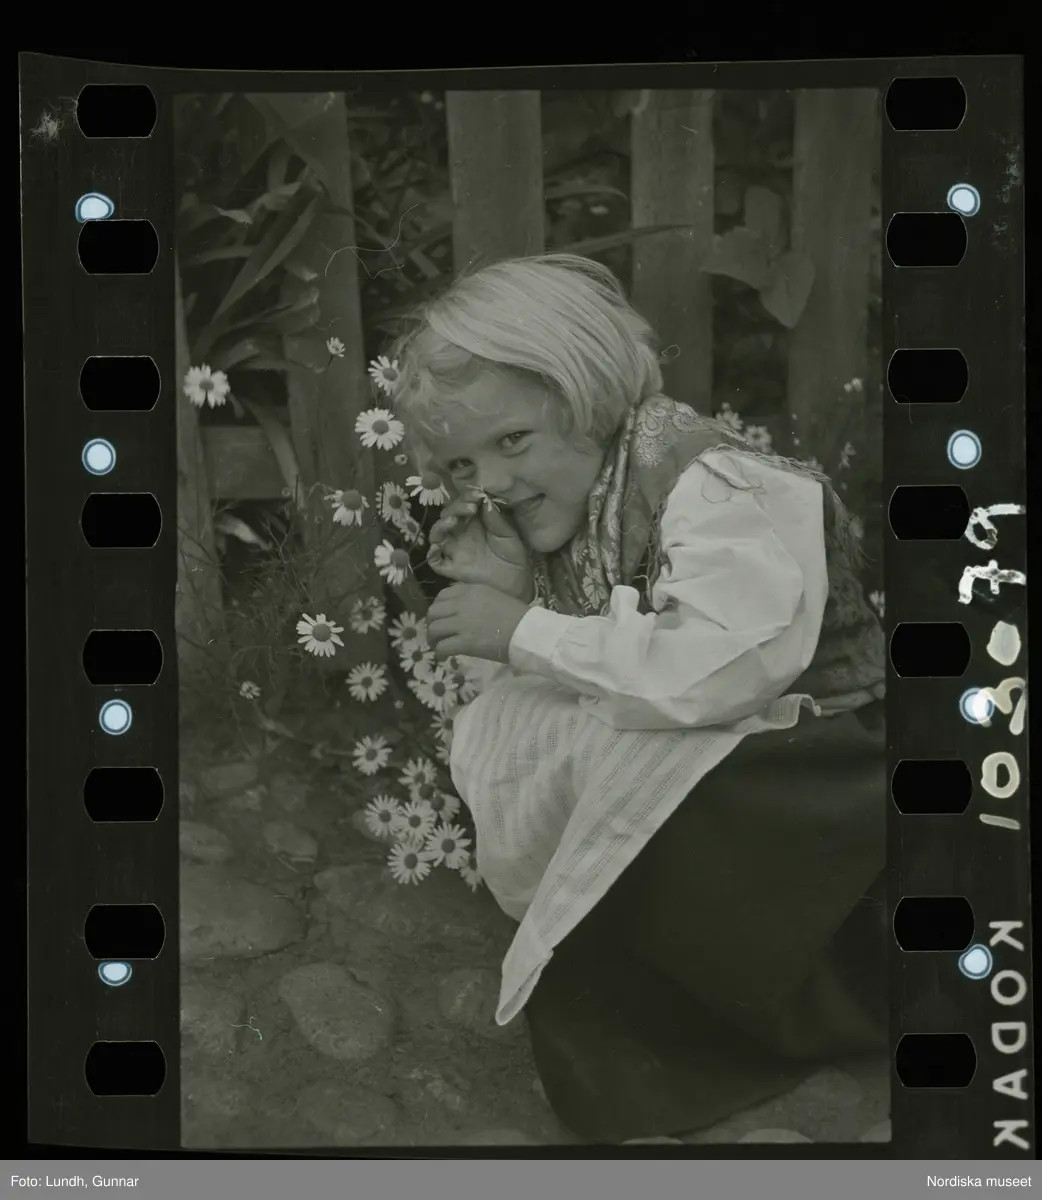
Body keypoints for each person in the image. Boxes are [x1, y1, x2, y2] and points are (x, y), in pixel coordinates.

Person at [386, 253, 887, 1145]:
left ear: (589, 401)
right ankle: (642, 957)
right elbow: (600, 664)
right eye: (462, 464)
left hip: (829, 771)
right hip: (739, 748)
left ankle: (752, 997)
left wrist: (526, 630)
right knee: (526, 718)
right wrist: (516, 593)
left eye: (512, 442)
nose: (489, 482)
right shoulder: (578, 495)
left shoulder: (707, 481)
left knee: (633, 746)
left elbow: (713, 669)